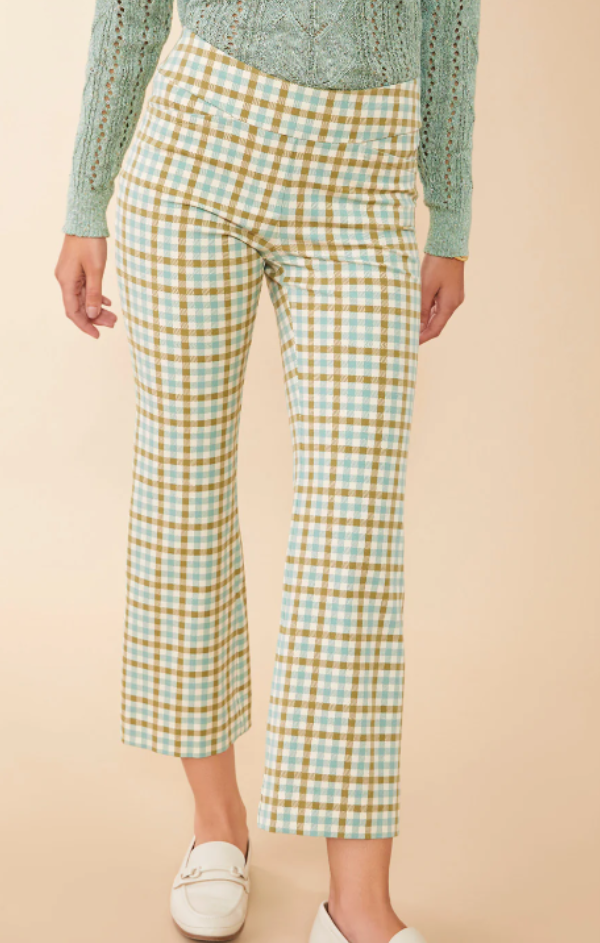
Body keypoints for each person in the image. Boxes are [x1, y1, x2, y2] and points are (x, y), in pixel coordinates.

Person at [54, 3, 481, 942]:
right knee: (184, 492)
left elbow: (452, 17)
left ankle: (357, 904)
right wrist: (87, 198)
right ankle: (218, 825)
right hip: (196, 150)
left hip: (362, 174)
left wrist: (449, 213)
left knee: (354, 530)